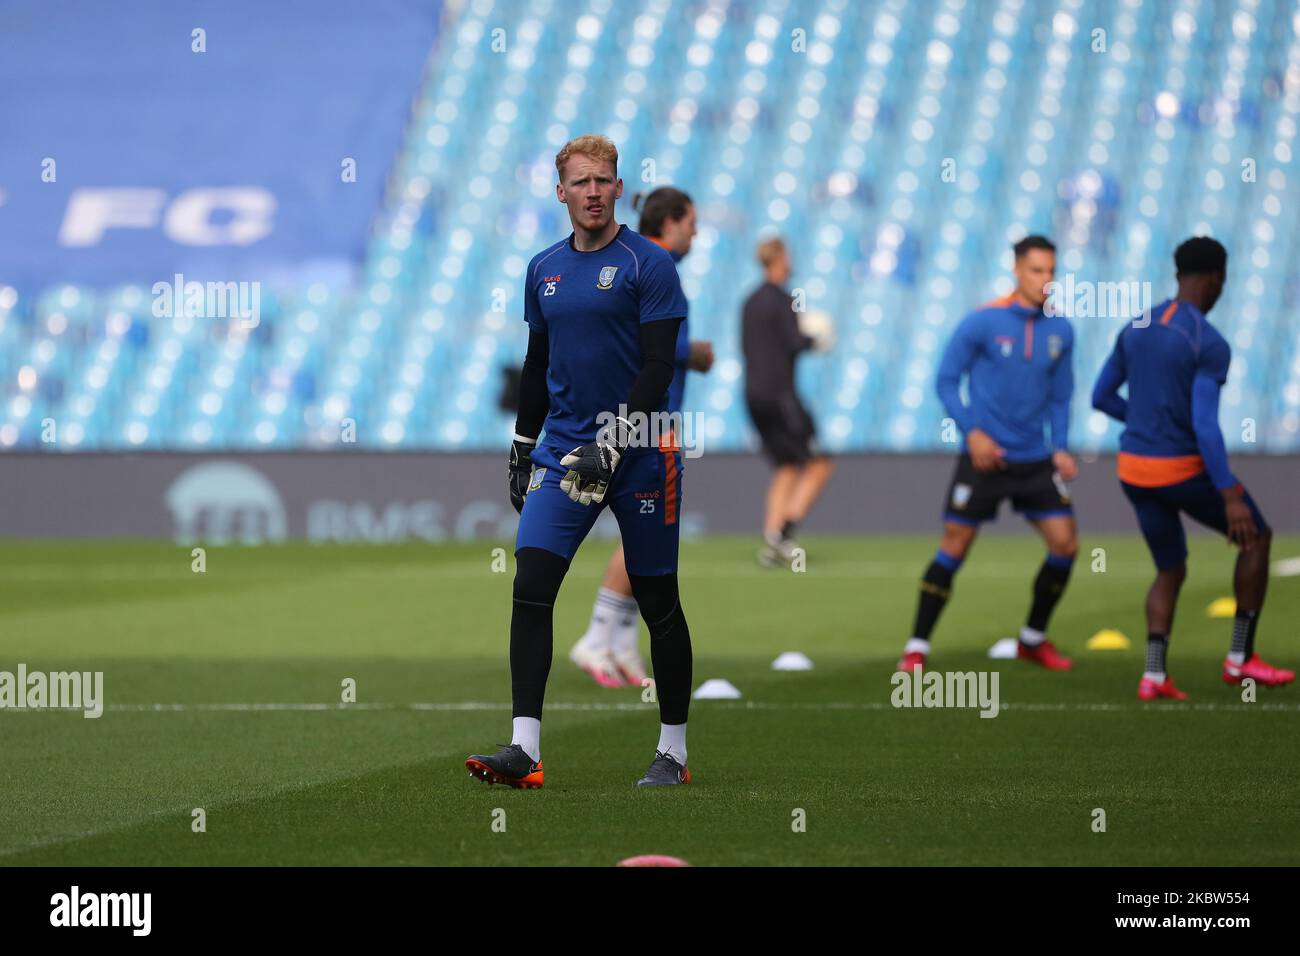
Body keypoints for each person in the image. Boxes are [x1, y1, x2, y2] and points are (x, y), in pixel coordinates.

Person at [465, 134, 694, 788]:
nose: (593, 192)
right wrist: (520, 443)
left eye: (604, 181)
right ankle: (525, 751)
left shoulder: (648, 264)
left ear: (620, 189)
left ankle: (673, 752)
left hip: (640, 452)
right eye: (581, 182)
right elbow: (539, 362)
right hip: (565, 453)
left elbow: (657, 366)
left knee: (658, 603)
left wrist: (616, 439)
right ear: (560, 191)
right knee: (531, 587)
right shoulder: (543, 269)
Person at [1092, 236, 1293, 699]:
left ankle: (1154, 675)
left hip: (1134, 472)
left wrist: (1145, 421)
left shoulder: (1135, 325)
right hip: (1177, 469)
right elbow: (1204, 426)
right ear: (1216, 279)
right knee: (1257, 537)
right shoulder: (1207, 340)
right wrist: (1228, 493)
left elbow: (1100, 397)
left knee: (1169, 569)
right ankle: (1241, 659)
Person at [899, 235, 1078, 673]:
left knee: (1066, 545)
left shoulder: (1062, 330)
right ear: (1017, 270)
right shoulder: (982, 322)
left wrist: (1061, 448)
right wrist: (972, 433)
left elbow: (1061, 397)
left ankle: (1032, 640)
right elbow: (945, 380)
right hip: (985, 458)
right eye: (1037, 270)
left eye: (1052, 271)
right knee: (955, 546)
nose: (1045, 279)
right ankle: (917, 647)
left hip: (1034, 459)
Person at [569, 186, 714, 688]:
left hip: (635, 420)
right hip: (649, 424)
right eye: (691, 220)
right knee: (645, 536)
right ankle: (596, 637)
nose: (696, 230)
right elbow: (653, 346)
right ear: (670, 222)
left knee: (644, 536)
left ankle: (621, 644)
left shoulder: (631, 261)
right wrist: (694, 353)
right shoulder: (654, 266)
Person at [741, 237, 834, 566]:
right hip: (781, 395)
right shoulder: (784, 299)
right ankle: (784, 533)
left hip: (753, 395)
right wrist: (818, 339)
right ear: (780, 258)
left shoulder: (750, 300)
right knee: (819, 463)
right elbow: (794, 342)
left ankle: (771, 543)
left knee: (785, 466)